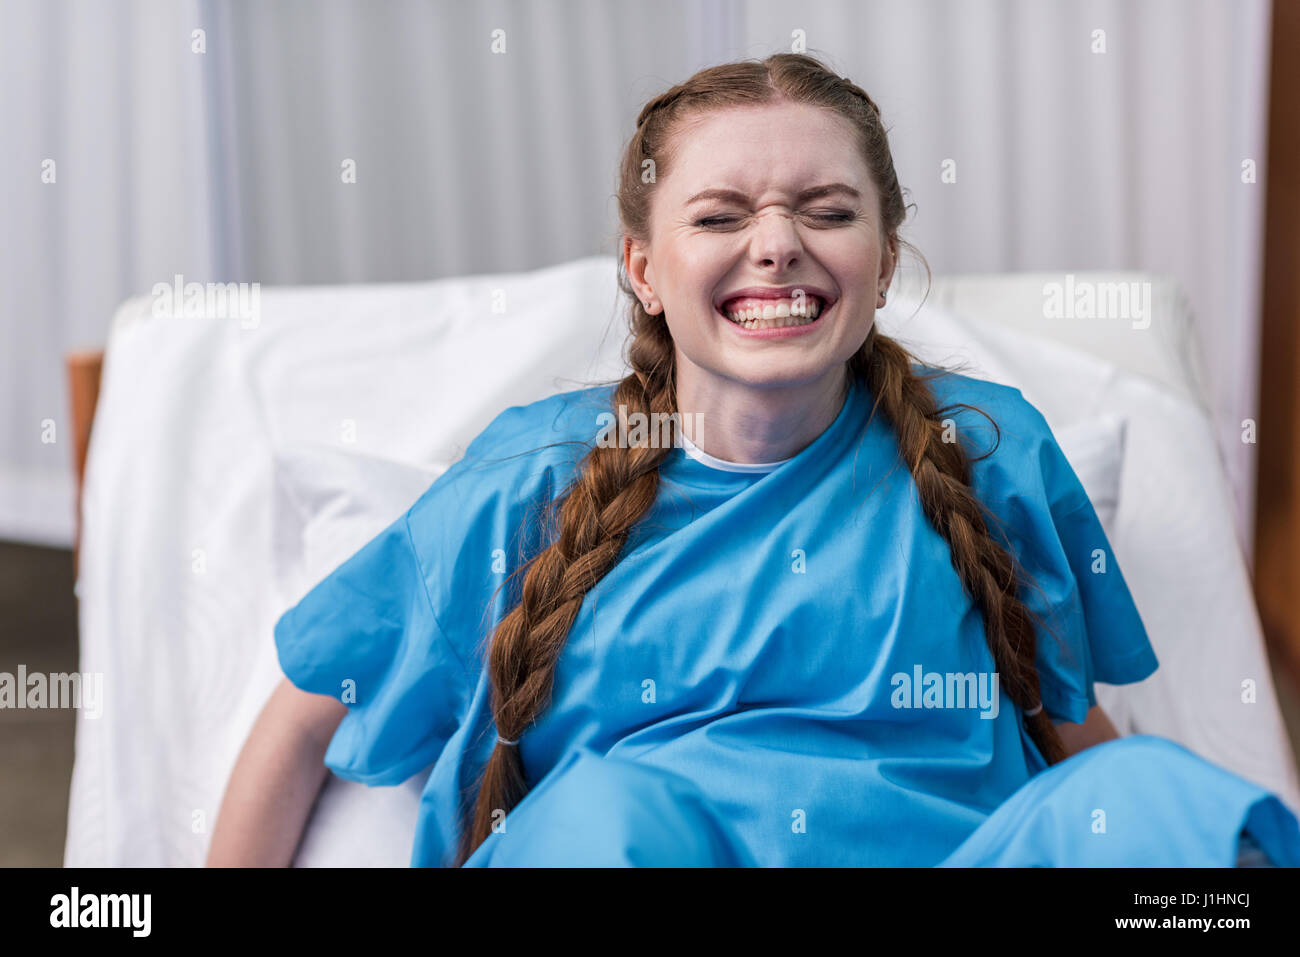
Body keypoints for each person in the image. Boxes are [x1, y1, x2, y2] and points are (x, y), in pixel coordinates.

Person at [207, 52, 1300, 868]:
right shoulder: (529, 481)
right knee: (603, 818)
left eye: (826, 211)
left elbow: (1072, 742)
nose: (776, 242)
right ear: (644, 267)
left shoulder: (985, 448)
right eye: (721, 214)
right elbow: (304, 713)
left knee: (1153, 796)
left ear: (880, 261)